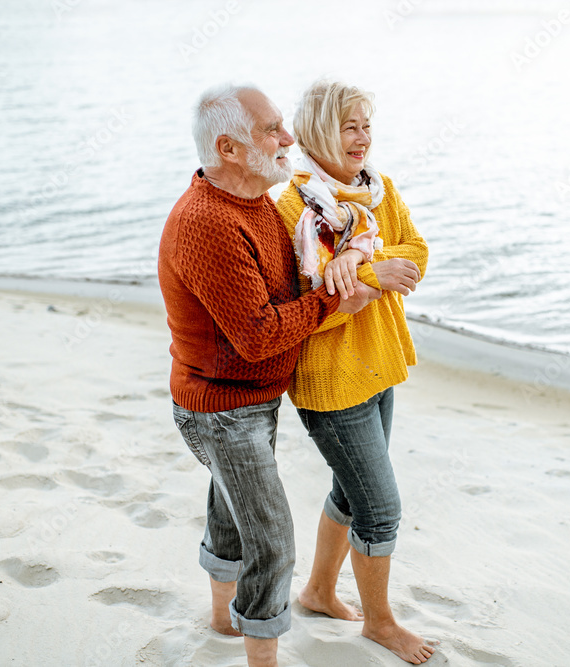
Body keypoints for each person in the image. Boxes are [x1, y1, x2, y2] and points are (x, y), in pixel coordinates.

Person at [157, 83, 377, 667]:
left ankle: (219, 619)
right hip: (221, 408)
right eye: (271, 130)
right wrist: (337, 305)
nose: (289, 139)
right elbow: (256, 337)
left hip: (248, 399)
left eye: (284, 125)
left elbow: (292, 287)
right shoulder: (207, 223)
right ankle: (262, 659)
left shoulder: (255, 202)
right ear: (229, 148)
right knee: (272, 537)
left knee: (233, 510)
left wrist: (352, 251)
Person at [275, 80, 436, 664]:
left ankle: (318, 592)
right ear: (319, 130)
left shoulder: (378, 190)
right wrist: (373, 277)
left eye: (367, 125)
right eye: (350, 127)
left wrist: (373, 265)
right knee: (381, 506)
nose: (363, 138)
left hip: (378, 363)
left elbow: (415, 250)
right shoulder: (291, 208)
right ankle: (381, 623)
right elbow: (304, 311)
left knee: (352, 489)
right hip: (330, 381)